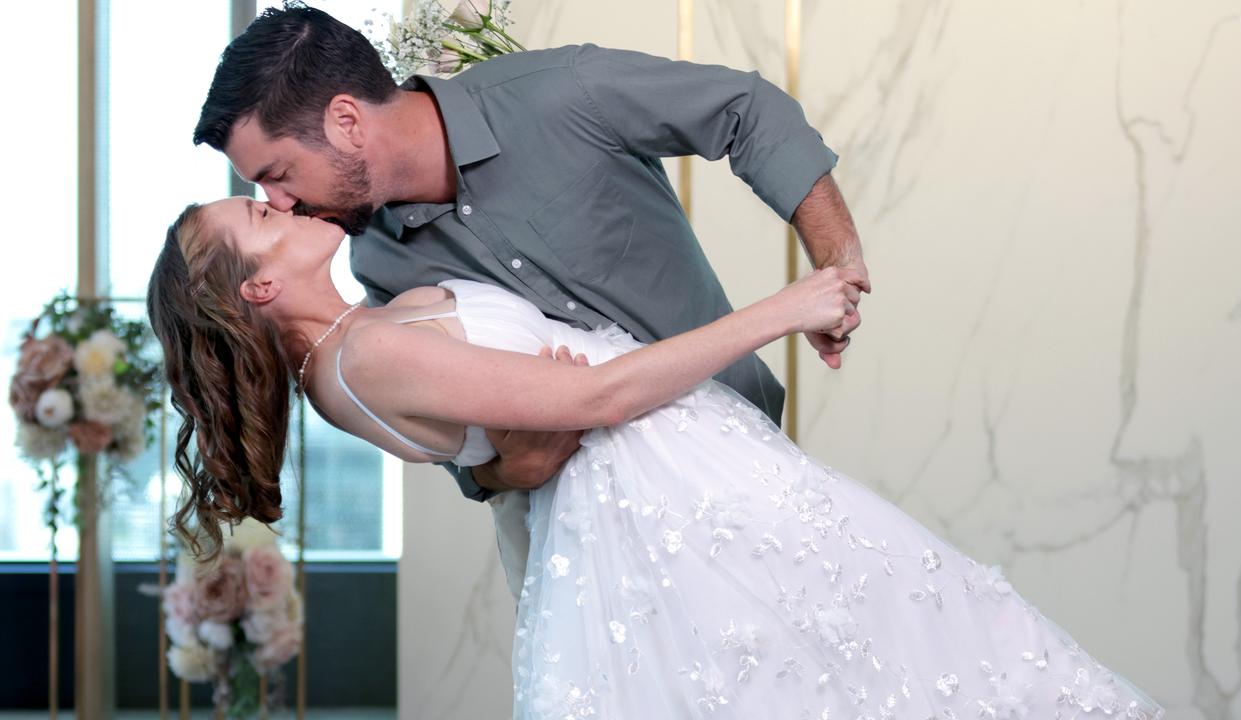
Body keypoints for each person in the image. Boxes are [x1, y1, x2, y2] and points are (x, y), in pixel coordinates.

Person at [147, 198, 1164, 719]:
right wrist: (786, 307)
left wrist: (521, 448)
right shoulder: (365, 354)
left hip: (670, 495)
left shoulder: (354, 349)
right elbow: (596, 393)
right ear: (259, 293)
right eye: (258, 219)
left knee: (898, 659)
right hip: (672, 506)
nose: (274, 202)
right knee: (915, 657)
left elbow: (526, 434)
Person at [192, 3, 869, 593]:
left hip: (748, 458)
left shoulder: (559, 93)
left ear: (345, 121)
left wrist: (835, 261)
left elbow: (746, 109)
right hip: (615, 549)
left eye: (278, 175)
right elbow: (456, 426)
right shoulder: (378, 261)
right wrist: (501, 470)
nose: (279, 201)